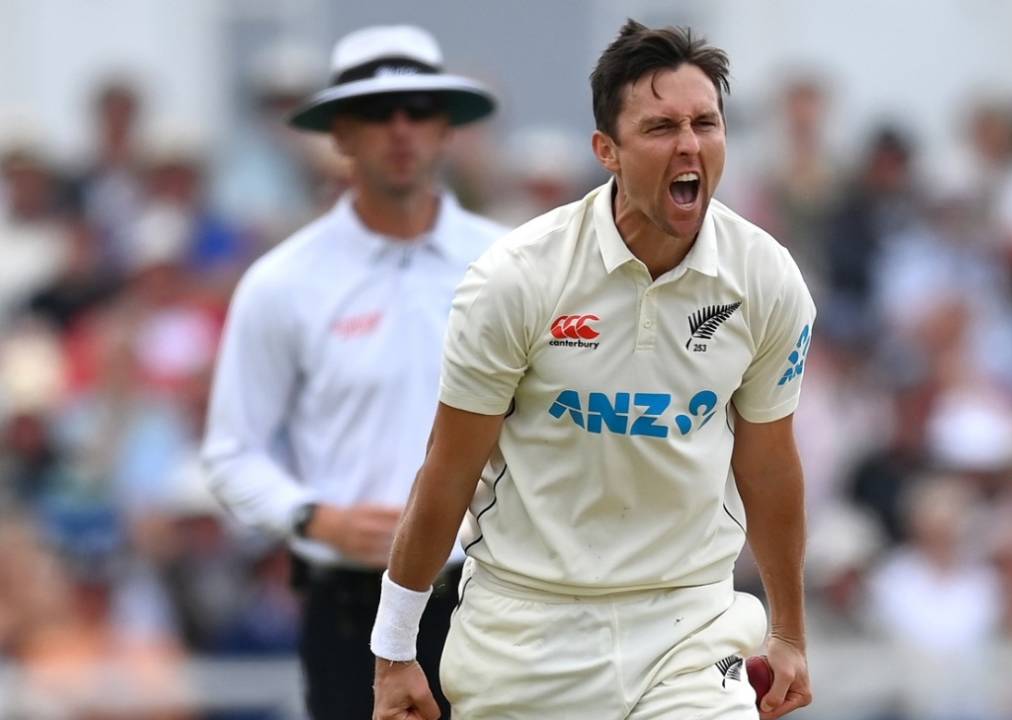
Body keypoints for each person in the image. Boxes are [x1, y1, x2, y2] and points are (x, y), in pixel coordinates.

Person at [372, 19, 815, 720]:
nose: (690, 144)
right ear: (605, 150)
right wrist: (394, 649)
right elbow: (449, 470)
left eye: (706, 122)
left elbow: (769, 463)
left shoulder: (765, 279)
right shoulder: (516, 280)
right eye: (662, 127)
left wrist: (788, 631)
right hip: (526, 630)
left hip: (689, 625)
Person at [201, 24, 504, 720]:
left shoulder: (510, 265)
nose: (399, 130)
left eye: (418, 110)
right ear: (340, 132)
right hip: (349, 602)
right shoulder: (284, 281)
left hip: (491, 594)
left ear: (446, 128)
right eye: (375, 112)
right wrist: (316, 518)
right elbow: (230, 451)